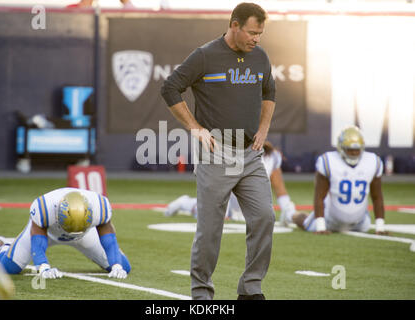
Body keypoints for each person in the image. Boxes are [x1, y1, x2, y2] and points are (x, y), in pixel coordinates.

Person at [161, 3, 276, 300]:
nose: (257, 38)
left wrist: (263, 129)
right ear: (234, 25)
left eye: (260, 33)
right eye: (252, 32)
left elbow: (269, 92)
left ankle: (251, 288)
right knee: (210, 231)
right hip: (216, 154)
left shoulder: (260, 56)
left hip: (250, 156)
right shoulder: (205, 56)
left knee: (264, 216)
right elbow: (170, 88)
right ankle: (201, 294)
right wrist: (195, 127)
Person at [0, 187, 131, 279]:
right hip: (49, 232)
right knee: (8, 268)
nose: (73, 230)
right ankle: (4, 246)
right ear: (57, 214)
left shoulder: (99, 206)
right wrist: (43, 266)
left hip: (85, 234)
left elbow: (109, 238)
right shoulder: (44, 207)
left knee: (124, 267)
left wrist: (116, 266)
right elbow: (37, 240)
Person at [281, 126, 388, 235]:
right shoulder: (328, 161)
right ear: (341, 148)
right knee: (305, 222)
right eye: (350, 150)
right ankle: (290, 214)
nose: (354, 153)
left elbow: (377, 196)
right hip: (330, 219)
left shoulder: (373, 161)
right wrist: (321, 226)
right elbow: (319, 196)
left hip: (360, 222)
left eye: (357, 150)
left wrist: (380, 227)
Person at [165, 141, 296, 223]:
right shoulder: (232, 150)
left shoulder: (272, 156)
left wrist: (288, 210)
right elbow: (221, 182)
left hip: (250, 205)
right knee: (211, 217)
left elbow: (280, 190)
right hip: (227, 198)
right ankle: (185, 203)